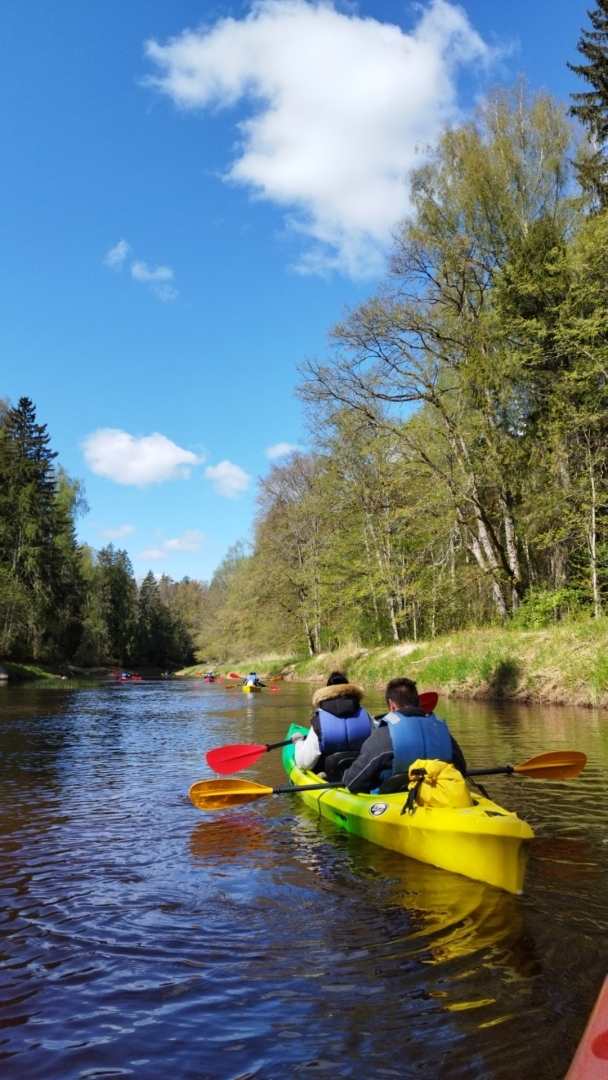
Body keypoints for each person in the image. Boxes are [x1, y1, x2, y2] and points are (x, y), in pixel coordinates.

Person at [342, 677, 466, 794]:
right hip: (437, 795)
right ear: (418, 701)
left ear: (391, 704)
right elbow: (462, 770)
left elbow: (353, 782)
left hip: (393, 802)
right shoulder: (442, 732)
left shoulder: (383, 736)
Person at [291, 671, 373, 775]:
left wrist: (298, 742)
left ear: (326, 693)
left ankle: (323, 776)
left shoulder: (319, 721)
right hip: (360, 771)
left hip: (330, 772)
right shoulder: (366, 715)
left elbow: (304, 763)